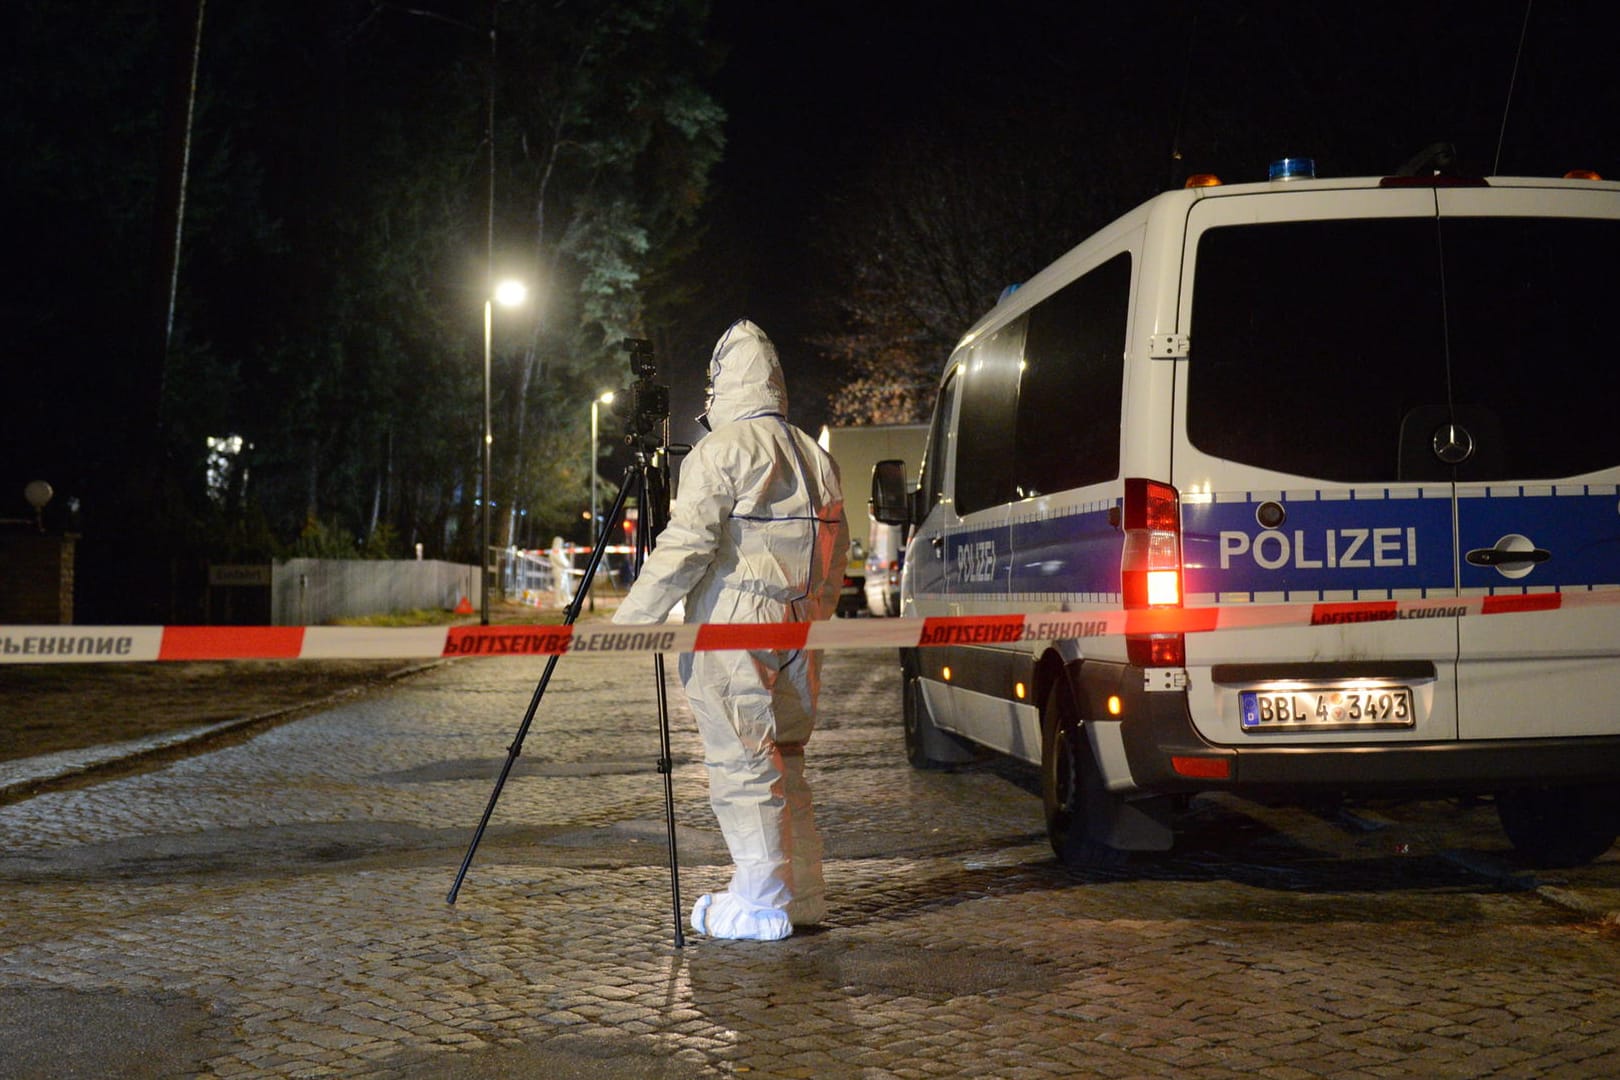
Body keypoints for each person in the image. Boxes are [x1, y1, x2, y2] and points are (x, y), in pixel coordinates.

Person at [613, 319, 849, 941]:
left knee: (745, 761)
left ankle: (760, 899)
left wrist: (631, 620)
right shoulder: (813, 454)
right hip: (801, 624)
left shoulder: (723, 452)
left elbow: (687, 546)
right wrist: (816, 615)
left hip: (734, 624)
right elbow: (836, 552)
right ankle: (802, 896)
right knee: (786, 761)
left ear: (721, 382)